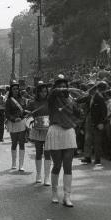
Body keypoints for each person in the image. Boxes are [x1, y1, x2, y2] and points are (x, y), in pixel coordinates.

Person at [46, 77, 82, 207]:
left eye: (64, 86)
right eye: (60, 86)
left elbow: (79, 114)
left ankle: (67, 196)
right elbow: (53, 92)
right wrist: (67, 88)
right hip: (55, 130)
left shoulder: (71, 100)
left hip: (69, 132)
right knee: (57, 165)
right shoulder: (52, 99)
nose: (62, 89)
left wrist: (76, 121)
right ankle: (54, 193)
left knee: (68, 164)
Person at [27, 82, 51, 184]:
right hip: (37, 128)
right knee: (38, 152)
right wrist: (31, 116)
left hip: (49, 129)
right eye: (41, 92)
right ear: (38, 92)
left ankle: (47, 177)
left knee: (48, 153)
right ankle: (38, 174)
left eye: (45, 91)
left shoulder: (50, 102)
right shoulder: (33, 103)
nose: (43, 93)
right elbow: (28, 115)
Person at [78, 81, 108, 166]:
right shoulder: (92, 96)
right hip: (90, 119)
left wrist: (101, 122)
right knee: (88, 139)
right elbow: (81, 100)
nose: (90, 88)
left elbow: (104, 111)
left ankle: (97, 159)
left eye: (92, 87)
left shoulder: (100, 97)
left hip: (97, 121)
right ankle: (87, 157)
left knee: (97, 140)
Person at [5, 82, 28, 170]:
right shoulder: (9, 100)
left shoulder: (22, 99)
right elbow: (7, 113)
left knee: (22, 143)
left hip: (22, 122)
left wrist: (22, 116)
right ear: (11, 90)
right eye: (14, 89)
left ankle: (21, 165)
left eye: (17, 89)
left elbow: (25, 110)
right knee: (14, 142)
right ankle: (14, 163)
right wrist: (14, 119)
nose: (15, 90)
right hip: (13, 122)